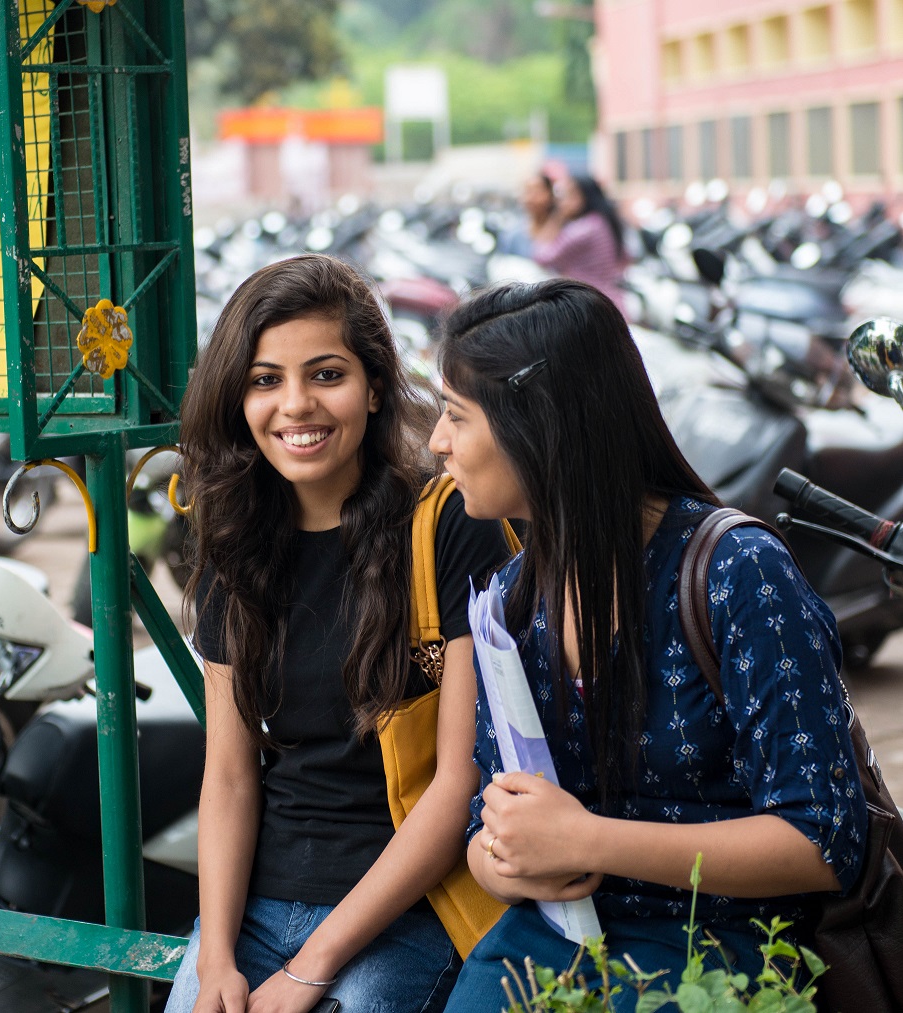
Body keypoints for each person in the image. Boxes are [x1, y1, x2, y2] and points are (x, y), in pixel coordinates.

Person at [426, 280, 866, 1013]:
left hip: (721, 957)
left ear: (540, 427)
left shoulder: (735, 571)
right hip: (550, 953)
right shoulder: (508, 598)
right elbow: (486, 825)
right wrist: (508, 861)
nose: (436, 441)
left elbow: (822, 839)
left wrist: (587, 841)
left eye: (453, 415)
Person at [165, 254, 515, 1013]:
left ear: (375, 385)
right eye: (265, 380)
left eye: (326, 374)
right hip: (259, 903)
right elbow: (228, 775)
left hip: (409, 906)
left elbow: (457, 782)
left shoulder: (447, 525)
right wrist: (217, 956)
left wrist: (309, 969)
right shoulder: (235, 541)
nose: (295, 405)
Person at [531, 175, 628, 313]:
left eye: (568, 195)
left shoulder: (583, 228)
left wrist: (557, 217)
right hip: (609, 300)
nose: (561, 201)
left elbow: (542, 257)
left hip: (588, 305)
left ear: (582, 196)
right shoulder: (601, 222)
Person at [495, 173, 556, 258]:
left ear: (550, 194)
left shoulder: (564, 232)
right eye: (528, 191)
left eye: (537, 192)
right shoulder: (513, 233)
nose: (531, 198)